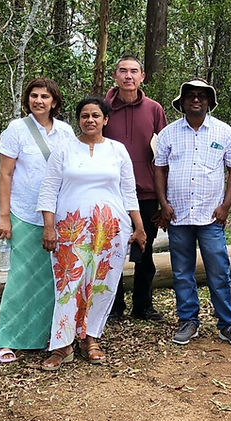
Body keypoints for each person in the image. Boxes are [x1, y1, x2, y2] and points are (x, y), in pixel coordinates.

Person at [36, 97, 148, 370]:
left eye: (95, 115)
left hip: (110, 230)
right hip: (70, 230)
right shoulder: (64, 150)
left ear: (105, 120)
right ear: (79, 120)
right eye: (85, 115)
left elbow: (128, 191)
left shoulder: (118, 150)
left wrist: (139, 226)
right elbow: (49, 190)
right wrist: (48, 226)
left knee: (103, 282)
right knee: (68, 285)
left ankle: (91, 338)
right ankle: (62, 345)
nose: (90, 120)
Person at [154, 79, 231, 348]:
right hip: (178, 215)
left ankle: (227, 324)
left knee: (218, 270)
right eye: (191, 96)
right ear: (182, 102)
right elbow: (159, 169)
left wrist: (225, 206)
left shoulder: (224, 132)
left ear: (209, 102)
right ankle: (188, 321)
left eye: (201, 97)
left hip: (210, 216)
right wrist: (163, 203)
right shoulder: (168, 134)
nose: (196, 100)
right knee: (182, 271)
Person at [0, 77, 75, 364]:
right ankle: (6, 338)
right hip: (24, 213)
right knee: (21, 279)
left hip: (58, 215)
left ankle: (47, 336)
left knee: (53, 279)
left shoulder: (65, 132)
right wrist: (4, 217)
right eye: (34, 96)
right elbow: (5, 174)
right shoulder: (16, 130)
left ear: (54, 102)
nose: (39, 101)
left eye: (45, 97)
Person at [104, 56, 168, 321]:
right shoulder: (103, 108)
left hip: (146, 193)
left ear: (142, 76)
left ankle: (142, 306)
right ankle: (113, 307)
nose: (128, 76)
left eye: (134, 71)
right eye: (123, 71)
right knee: (111, 250)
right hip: (110, 193)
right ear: (115, 76)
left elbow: (164, 153)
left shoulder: (154, 109)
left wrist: (165, 200)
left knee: (145, 249)